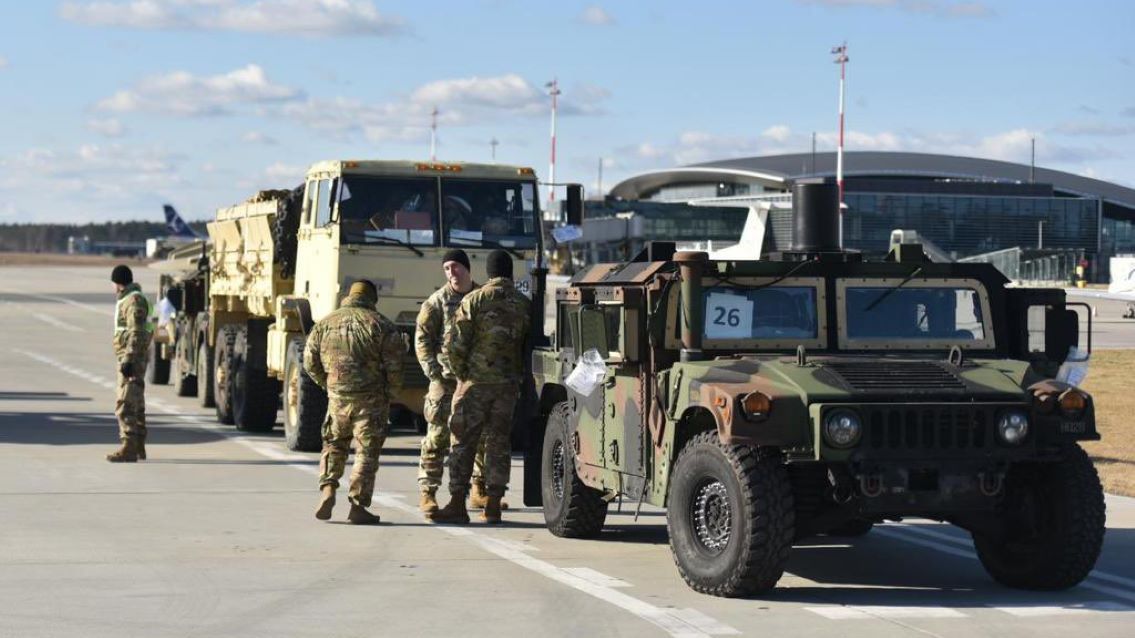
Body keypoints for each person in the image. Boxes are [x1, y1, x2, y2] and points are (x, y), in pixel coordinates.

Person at [429, 250, 530, 524]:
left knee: (463, 442)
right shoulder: (523, 303)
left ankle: (457, 504)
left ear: (488, 272)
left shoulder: (474, 299)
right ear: (510, 272)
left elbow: (454, 344)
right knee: (498, 443)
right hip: (507, 387)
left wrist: (463, 376)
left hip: (475, 385)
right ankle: (493, 504)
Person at [304, 280, 404, 525]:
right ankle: (358, 506)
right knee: (366, 452)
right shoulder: (381, 325)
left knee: (334, 444)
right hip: (371, 400)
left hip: (338, 398)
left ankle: (328, 488)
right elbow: (395, 367)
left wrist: (328, 384)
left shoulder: (324, 323)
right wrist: (390, 393)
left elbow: (309, 362)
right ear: (372, 299)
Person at [414, 250, 504, 514]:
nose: (451, 273)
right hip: (446, 381)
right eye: (447, 268)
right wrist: (434, 373)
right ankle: (428, 493)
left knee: (481, 439)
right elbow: (422, 339)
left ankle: (478, 490)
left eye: (455, 267)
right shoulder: (436, 302)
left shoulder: (482, 297)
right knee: (437, 438)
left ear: (467, 268)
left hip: (476, 381)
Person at [108, 264, 153, 463]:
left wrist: (128, 359)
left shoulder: (133, 301)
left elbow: (136, 332)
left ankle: (128, 447)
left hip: (132, 359)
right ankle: (138, 445)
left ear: (118, 283)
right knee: (137, 403)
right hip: (134, 357)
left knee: (125, 404)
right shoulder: (131, 299)